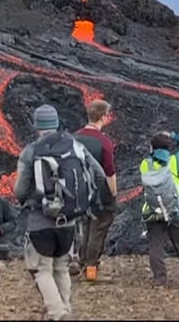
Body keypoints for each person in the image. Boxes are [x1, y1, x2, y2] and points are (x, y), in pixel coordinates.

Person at [14, 104, 107, 321]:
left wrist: (29, 201)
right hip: (69, 220)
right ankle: (65, 310)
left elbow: (20, 190)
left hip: (41, 221)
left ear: (36, 125)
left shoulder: (31, 151)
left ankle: (57, 313)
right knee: (62, 267)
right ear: (56, 123)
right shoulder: (75, 147)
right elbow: (100, 174)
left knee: (42, 270)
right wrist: (84, 199)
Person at [140, 130, 179, 290]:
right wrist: (174, 135)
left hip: (153, 211)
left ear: (152, 148)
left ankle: (159, 281)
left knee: (155, 245)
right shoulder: (175, 161)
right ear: (169, 148)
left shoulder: (144, 164)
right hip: (175, 211)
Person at [74, 99, 117, 282]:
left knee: (86, 226)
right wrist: (113, 194)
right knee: (98, 230)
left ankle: (81, 263)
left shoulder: (74, 138)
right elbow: (110, 173)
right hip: (99, 193)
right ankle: (91, 271)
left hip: (79, 193)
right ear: (103, 117)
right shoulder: (104, 142)